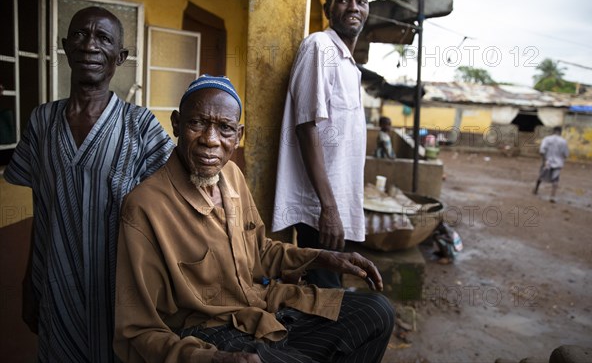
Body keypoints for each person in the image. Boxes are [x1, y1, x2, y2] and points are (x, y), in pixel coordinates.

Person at [114, 75, 395, 363]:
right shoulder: (144, 207)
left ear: (239, 135)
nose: (210, 140)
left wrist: (324, 257)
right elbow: (137, 332)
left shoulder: (232, 176)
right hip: (209, 335)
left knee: (377, 313)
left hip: (264, 308)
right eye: (197, 123)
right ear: (176, 124)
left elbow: (260, 250)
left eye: (225, 128)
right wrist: (213, 360)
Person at [4, 6, 174, 362]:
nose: (90, 46)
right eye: (80, 35)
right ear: (65, 46)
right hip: (55, 287)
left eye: (103, 38)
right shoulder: (42, 121)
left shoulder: (140, 126)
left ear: (121, 56)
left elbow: (172, 209)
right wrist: (28, 284)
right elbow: (43, 206)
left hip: (120, 291)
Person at [272, 0, 370, 288]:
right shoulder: (319, 47)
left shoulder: (349, 65)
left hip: (334, 209)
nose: (353, 6)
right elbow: (306, 126)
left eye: (361, 1)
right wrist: (328, 208)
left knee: (327, 298)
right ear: (328, 9)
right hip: (320, 211)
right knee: (323, 303)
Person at [533, 126, 569, 202]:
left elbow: (542, 151)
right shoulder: (563, 141)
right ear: (560, 132)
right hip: (558, 163)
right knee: (555, 179)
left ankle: (536, 190)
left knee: (541, 176)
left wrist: (544, 160)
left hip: (547, 161)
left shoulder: (547, 139)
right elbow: (566, 154)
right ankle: (552, 196)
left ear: (553, 131)